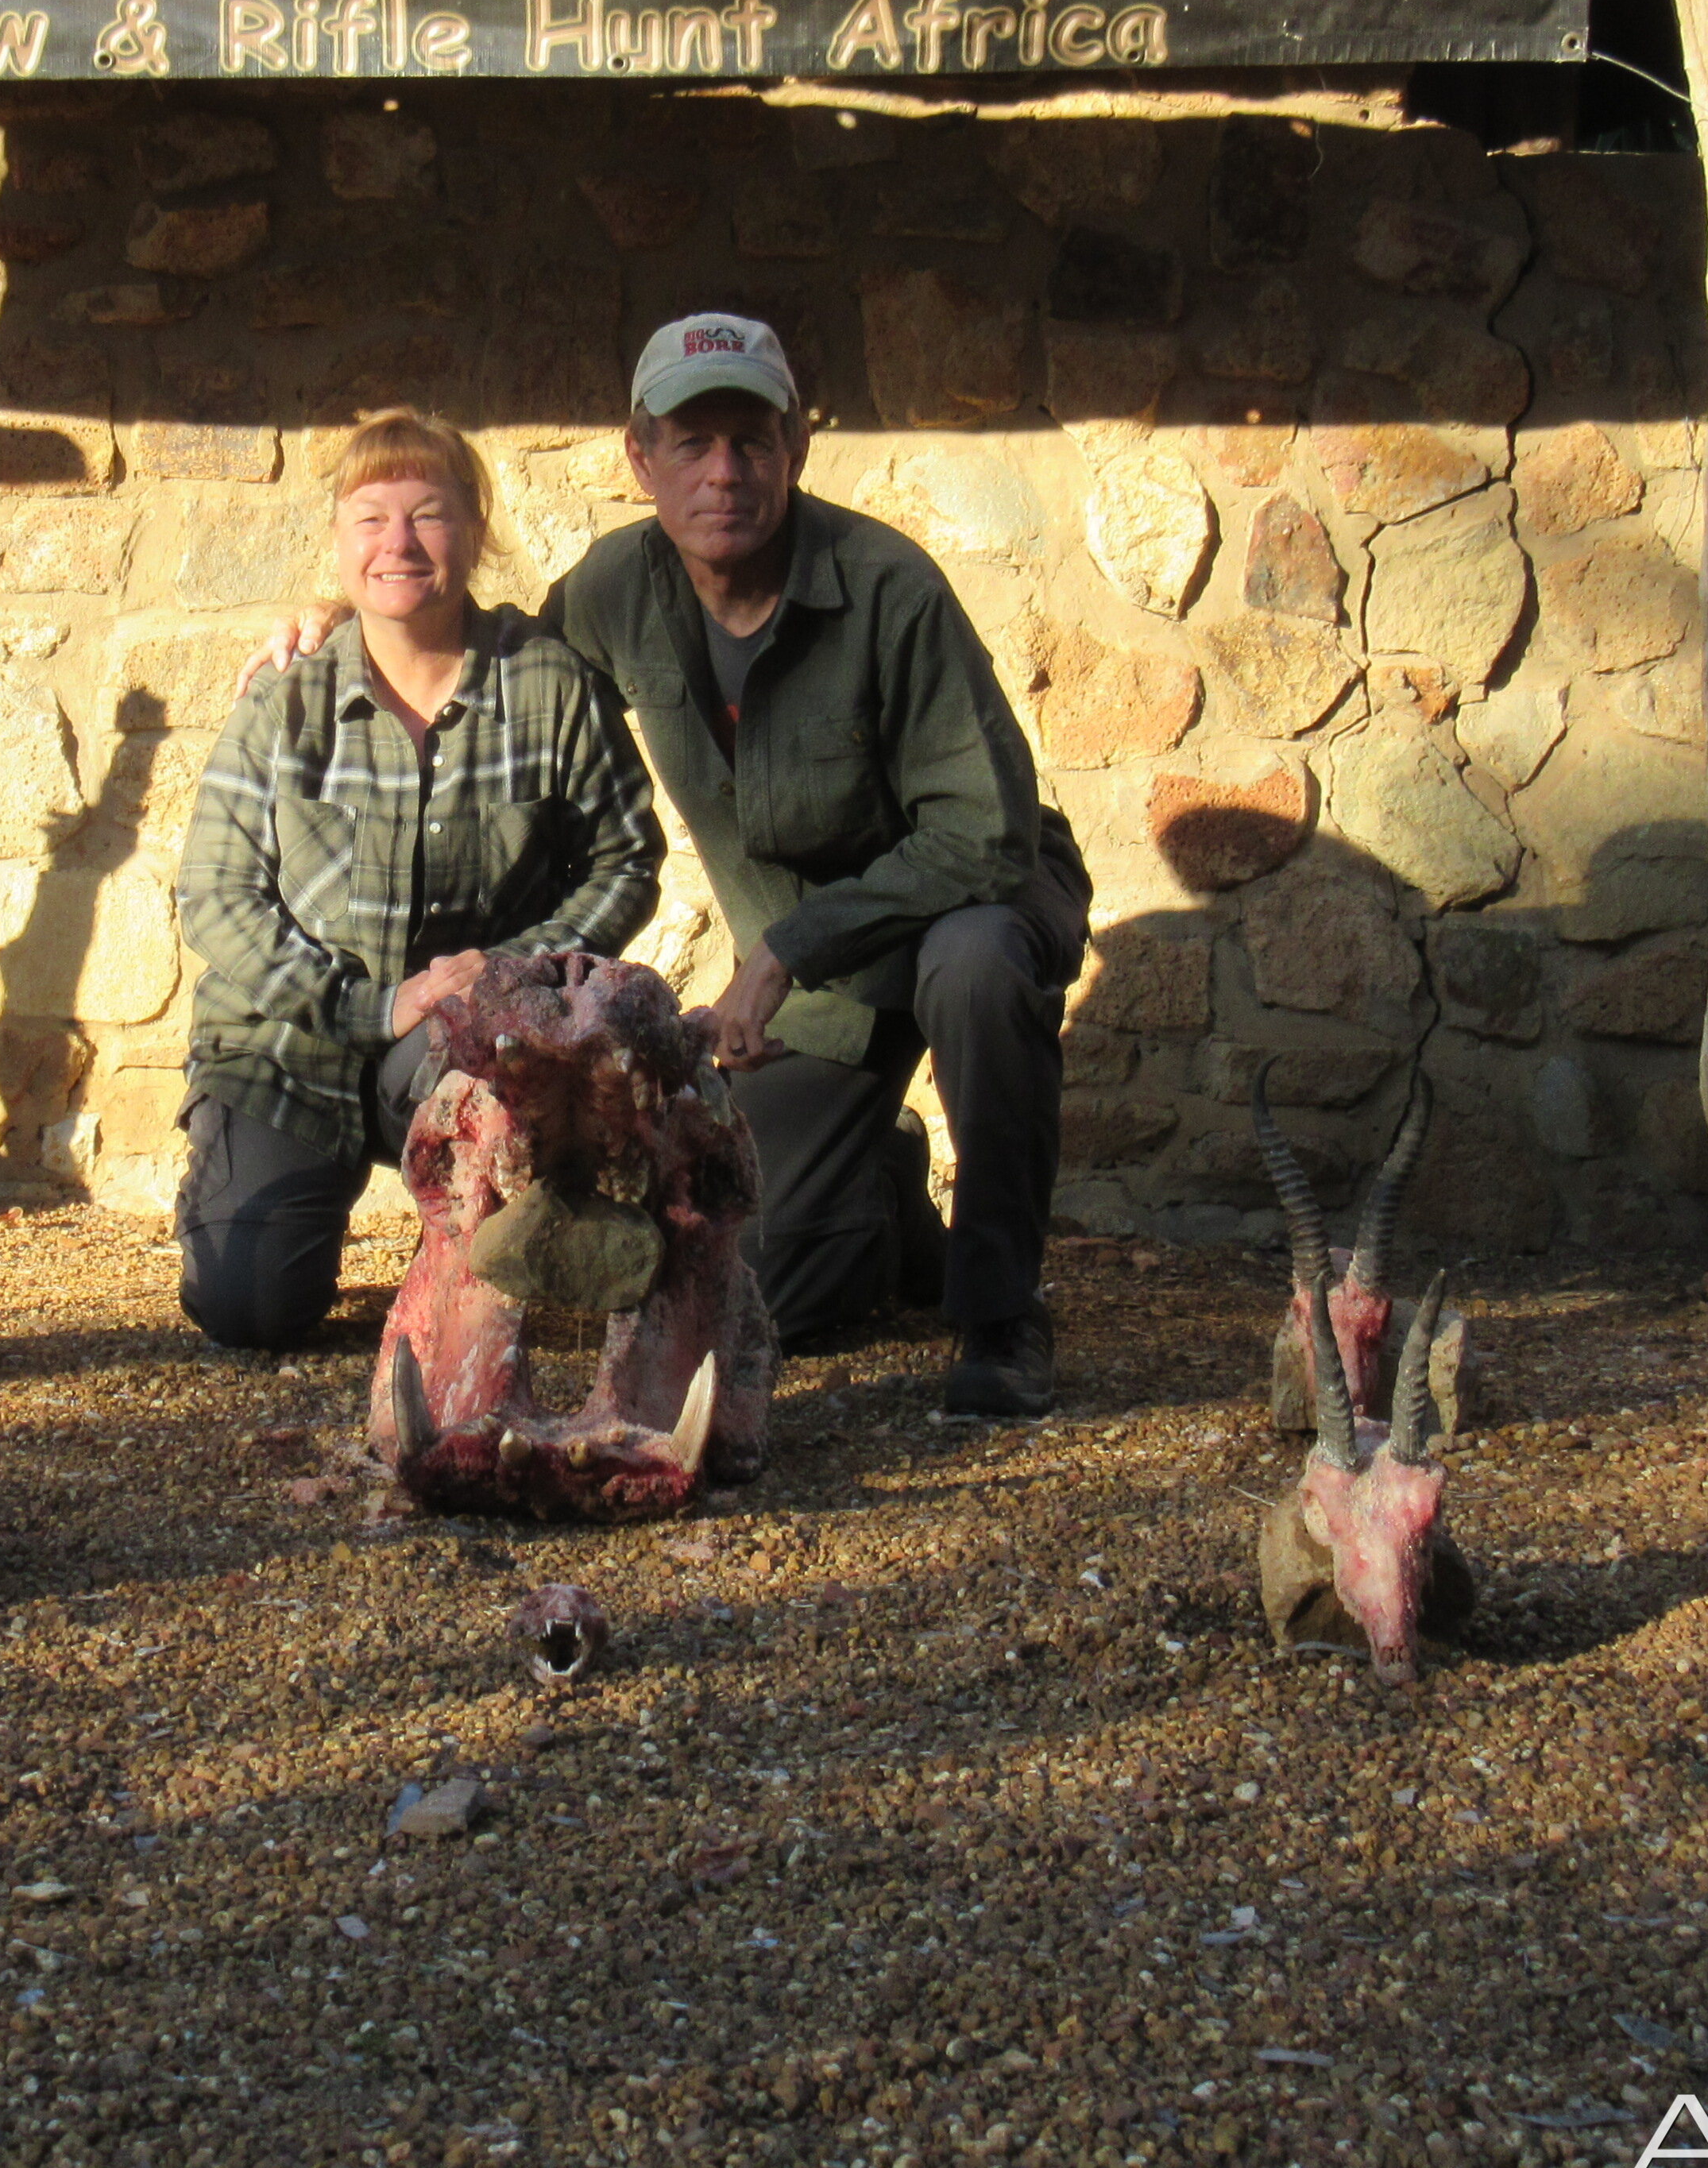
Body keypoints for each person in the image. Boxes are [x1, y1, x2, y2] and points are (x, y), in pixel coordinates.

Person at [254, 315, 1090, 1416]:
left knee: (976, 966)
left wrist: (784, 950)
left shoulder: (890, 589)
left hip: (967, 903)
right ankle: (881, 1192)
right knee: (764, 1281)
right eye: (692, 445)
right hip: (825, 989)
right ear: (640, 460)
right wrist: (363, 617)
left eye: (751, 440)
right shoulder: (616, 589)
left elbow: (986, 836)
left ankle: (998, 1316)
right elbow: (503, 668)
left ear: (795, 443)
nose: (725, 473)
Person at [172, 408, 663, 1351]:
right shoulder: (284, 702)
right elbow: (218, 896)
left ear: (474, 531)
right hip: (284, 1046)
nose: (397, 543)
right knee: (249, 1312)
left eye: (428, 515)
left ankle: (483, 1241)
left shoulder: (548, 689)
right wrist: (370, 1004)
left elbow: (624, 860)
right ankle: (261, 1201)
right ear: (337, 541)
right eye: (370, 518)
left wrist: (507, 974)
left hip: (458, 1044)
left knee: (524, 1297)